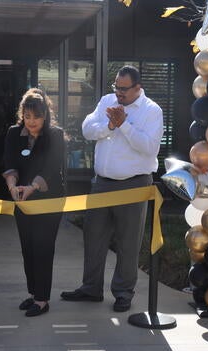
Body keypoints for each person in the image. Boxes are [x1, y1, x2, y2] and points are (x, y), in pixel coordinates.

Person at [61, 65, 164, 312]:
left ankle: (123, 293)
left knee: (128, 242)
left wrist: (124, 125)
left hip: (135, 184)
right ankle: (90, 288)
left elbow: (150, 147)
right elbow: (87, 129)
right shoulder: (107, 100)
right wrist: (108, 126)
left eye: (124, 89)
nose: (118, 93)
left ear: (138, 88)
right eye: (116, 87)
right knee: (93, 237)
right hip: (102, 182)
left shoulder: (151, 110)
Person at [2, 88, 66, 317]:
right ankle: (33, 293)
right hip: (22, 199)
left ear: (45, 115)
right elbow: (9, 162)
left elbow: (52, 167)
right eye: (27, 117)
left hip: (48, 200)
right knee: (27, 247)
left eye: (36, 117)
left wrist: (32, 187)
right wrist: (12, 185)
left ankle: (42, 299)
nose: (31, 122)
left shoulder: (55, 135)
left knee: (42, 248)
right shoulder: (13, 133)